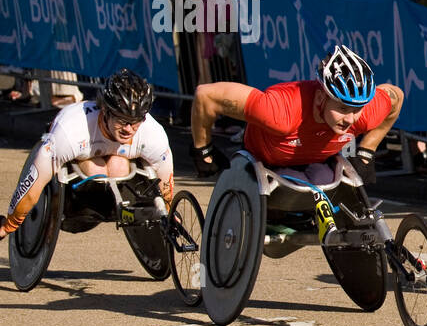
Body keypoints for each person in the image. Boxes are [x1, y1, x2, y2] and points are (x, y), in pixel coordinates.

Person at [189, 45, 404, 243]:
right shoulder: (280, 110)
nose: (350, 119)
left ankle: (300, 215)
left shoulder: (363, 113)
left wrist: (367, 151)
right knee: (302, 187)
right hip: (267, 164)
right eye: (343, 108)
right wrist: (203, 150)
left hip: (316, 164)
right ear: (320, 99)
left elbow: (396, 97)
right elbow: (206, 95)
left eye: (356, 110)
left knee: (323, 180)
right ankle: (281, 215)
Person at [0, 70, 174, 242]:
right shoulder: (71, 132)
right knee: (95, 167)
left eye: (135, 122)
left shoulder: (153, 134)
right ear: (105, 110)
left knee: (118, 166)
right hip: (75, 197)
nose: (129, 129)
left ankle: (115, 203)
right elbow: (31, 185)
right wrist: (8, 226)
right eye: (122, 120)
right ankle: (84, 202)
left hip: (117, 173)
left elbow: (166, 185)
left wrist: (169, 214)